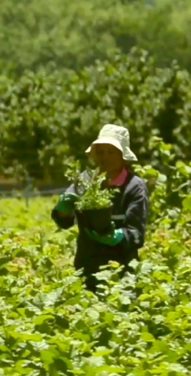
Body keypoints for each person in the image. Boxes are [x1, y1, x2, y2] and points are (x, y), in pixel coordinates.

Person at [51, 124, 149, 292]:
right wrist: (63, 208)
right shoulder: (85, 180)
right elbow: (65, 222)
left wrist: (117, 236)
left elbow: (136, 233)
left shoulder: (134, 187)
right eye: (101, 152)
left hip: (121, 271)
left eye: (111, 152)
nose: (105, 157)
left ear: (123, 156)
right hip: (87, 266)